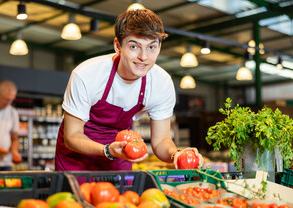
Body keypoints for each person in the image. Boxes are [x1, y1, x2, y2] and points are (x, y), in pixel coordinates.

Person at [55, 8, 203, 171]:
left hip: (120, 152)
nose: (143, 57)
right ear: (118, 46)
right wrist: (106, 150)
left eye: (151, 47)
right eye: (134, 47)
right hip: (75, 157)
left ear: (159, 47)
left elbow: (161, 141)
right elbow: (72, 136)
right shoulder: (87, 75)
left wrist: (176, 154)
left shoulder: (161, 83)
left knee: (125, 197)